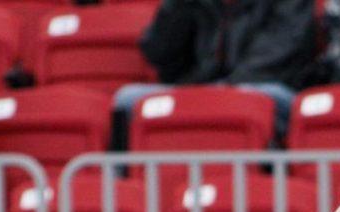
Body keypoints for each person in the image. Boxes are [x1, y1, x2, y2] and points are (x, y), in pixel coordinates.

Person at [118, 0, 315, 141]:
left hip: (264, 86)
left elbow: (279, 53)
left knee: (262, 95)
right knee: (127, 99)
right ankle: (123, 188)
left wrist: (223, 90)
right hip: (201, 88)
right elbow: (158, 52)